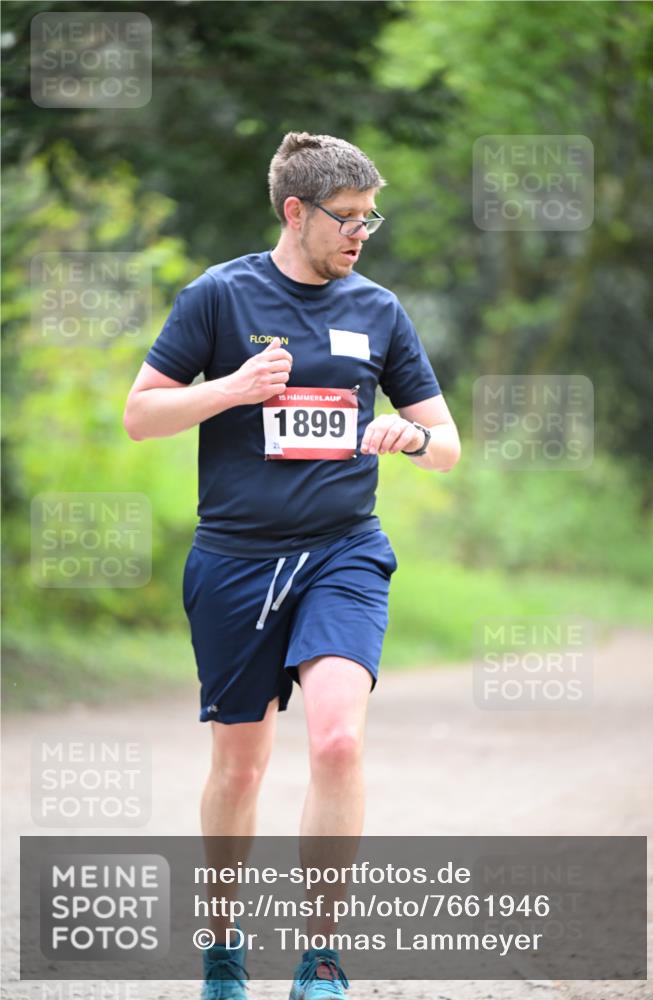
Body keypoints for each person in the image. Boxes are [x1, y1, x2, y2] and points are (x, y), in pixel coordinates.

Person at [123, 131, 461, 1000]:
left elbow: (446, 443)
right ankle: (224, 947)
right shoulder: (219, 296)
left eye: (368, 220)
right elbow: (142, 415)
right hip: (236, 561)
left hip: (343, 552)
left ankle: (319, 958)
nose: (359, 234)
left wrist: (409, 435)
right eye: (346, 219)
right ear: (294, 211)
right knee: (240, 767)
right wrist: (231, 389)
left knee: (339, 740)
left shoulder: (379, 310)